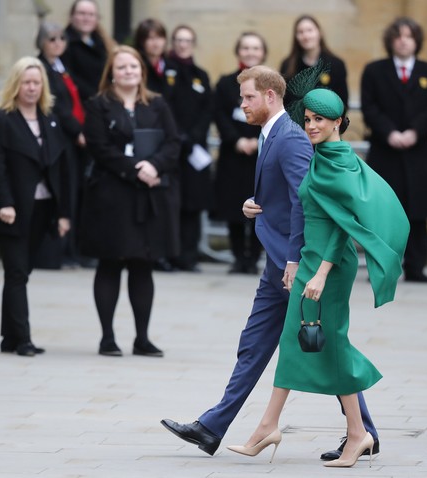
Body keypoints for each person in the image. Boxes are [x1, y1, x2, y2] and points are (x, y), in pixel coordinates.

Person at [161, 66, 380, 460]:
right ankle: (212, 427)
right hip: (278, 261)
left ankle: (361, 432)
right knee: (258, 342)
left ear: (270, 97)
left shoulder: (291, 138)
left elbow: (305, 203)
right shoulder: (272, 134)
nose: (241, 104)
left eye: (247, 97)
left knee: (322, 343)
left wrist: (296, 261)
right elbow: (286, 195)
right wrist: (255, 206)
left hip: (296, 263)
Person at [226, 88, 409, 468]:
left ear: (339, 122)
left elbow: (344, 225)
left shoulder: (338, 159)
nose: (310, 126)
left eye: (319, 120)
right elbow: (302, 203)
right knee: (304, 343)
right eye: (307, 119)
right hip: (312, 259)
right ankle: (275, 426)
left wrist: (321, 274)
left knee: (330, 343)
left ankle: (343, 433)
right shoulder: (321, 155)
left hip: (327, 265)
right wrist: (254, 206)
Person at [79, 45, 180, 358]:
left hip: (148, 197)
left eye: (133, 67)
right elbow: (98, 146)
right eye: (122, 67)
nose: (128, 72)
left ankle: (142, 338)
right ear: (112, 72)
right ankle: (107, 337)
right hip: (112, 196)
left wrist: (154, 165)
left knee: (142, 264)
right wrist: (135, 169)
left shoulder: (158, 103)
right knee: (110, 262)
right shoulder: (98, 105)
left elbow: (173, 142)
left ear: (142, 72)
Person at [0, 57, 71, 356]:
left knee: (21, 273)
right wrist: (4, 202)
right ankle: (24, 339)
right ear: (15, 85)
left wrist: (63, 213)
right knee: (16, 272)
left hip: (42, 209)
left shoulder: (49, 119)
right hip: (12, 210)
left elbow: (60, 168)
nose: (31, 88)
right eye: (26, 82)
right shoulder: (1, 119)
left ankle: (9, 337)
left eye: (37, 82)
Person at [361, 16, 427, 283]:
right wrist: (391, 133)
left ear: (416, 41)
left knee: (417, 212)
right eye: (398, 36)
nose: (403, 40)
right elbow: (369, 107)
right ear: (390, 41)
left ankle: (416, 266)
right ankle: (383, 268)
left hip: (418, 151)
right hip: (386, 151)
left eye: (409, 36)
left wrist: (414, 132)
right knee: (384, 212)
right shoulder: (374, 71)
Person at [214, 32, 267, 275]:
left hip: (262, 155)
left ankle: (254, 257)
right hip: (233, 154)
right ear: (238, 51)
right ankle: (238, 257)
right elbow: (220, 115)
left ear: (262, 52)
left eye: (255, 48)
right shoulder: (226, 83)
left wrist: (259, 141)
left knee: (260, 207)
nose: (250, 52)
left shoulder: (271, 84)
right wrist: (236, 140)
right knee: (233, 206)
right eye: (245, 48)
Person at [36, 21, 86, 269]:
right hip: (58, 138)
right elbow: (56, 105)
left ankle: (71, 250)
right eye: (52, 39)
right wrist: (78, 131)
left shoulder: (61, 67)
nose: (57, 44)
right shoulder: (42, 68)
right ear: (42, 42)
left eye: (61, 39)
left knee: (72, 191)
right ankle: (58, 252)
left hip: (70, 138)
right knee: (61, 191)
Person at [164, 25, 213, 272]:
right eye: (179, 40)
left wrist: (193, 136)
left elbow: (207, 109)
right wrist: (178, 136)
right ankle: (171, 255)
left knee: (193, 204)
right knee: (172, 202)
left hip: (195, 149)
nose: (183, 44)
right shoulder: (165, 71)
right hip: (171, 146)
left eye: (187, 40)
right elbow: (164, 105)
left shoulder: (201, 75)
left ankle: (190, 256)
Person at [134, 18, 180, 272]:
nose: (155, 42)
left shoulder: (171, 67)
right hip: (144, 135)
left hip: (169, 136)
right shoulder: (138, 67)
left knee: (167, 198)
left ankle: (163, 252)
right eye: (149, 37)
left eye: (159, 37)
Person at [280, 14, 348, 108]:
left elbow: (342, 101)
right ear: (296, 37)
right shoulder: (287, 65)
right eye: (300, 32)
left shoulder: (336, 65)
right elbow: (284, 101)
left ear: (319, 33)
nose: (306, 36)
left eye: (310, 30)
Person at [61, 0, 114, 102]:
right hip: (79, 103)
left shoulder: (105, 43)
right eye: (82, 13)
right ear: (71, 16)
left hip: (104, 101)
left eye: (91, 14)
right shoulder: (63, 43)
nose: (86, 18)